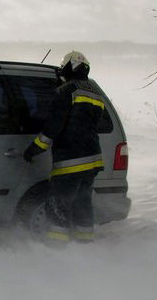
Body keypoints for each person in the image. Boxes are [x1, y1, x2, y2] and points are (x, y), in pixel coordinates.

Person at [24, 51, 106, 244]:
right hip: (92, 159)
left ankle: (57, 245)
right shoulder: (96, 91)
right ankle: (84, 242)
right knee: (83, 203)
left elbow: (53, 128)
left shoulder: (66, 91)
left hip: (71, 159)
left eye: (64, 67)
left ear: (70, 67)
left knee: (58, 204)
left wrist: (34, 149)